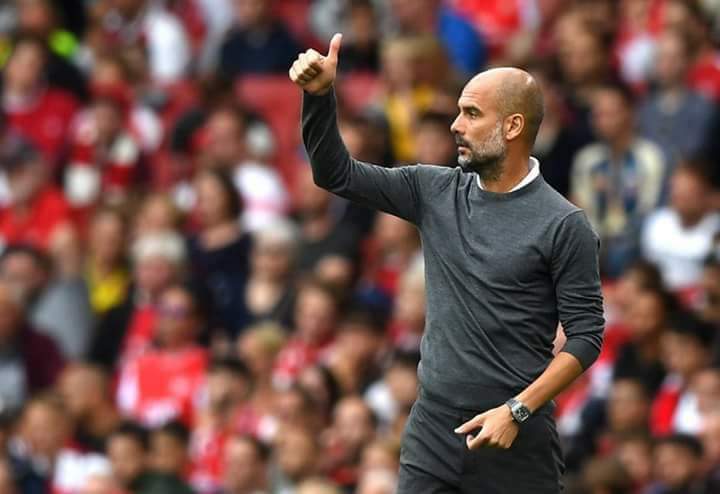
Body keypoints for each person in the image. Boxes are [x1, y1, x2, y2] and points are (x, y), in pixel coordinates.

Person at [290, 34, 604, 493]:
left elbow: (587, 336)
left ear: (513, 126)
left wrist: (517, 410)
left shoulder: (564, 223)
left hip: (513, 435)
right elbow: (335, 173)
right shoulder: (433, 190)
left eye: (471, 114)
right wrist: (319, 97)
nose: (456, 125)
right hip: (432, 431)